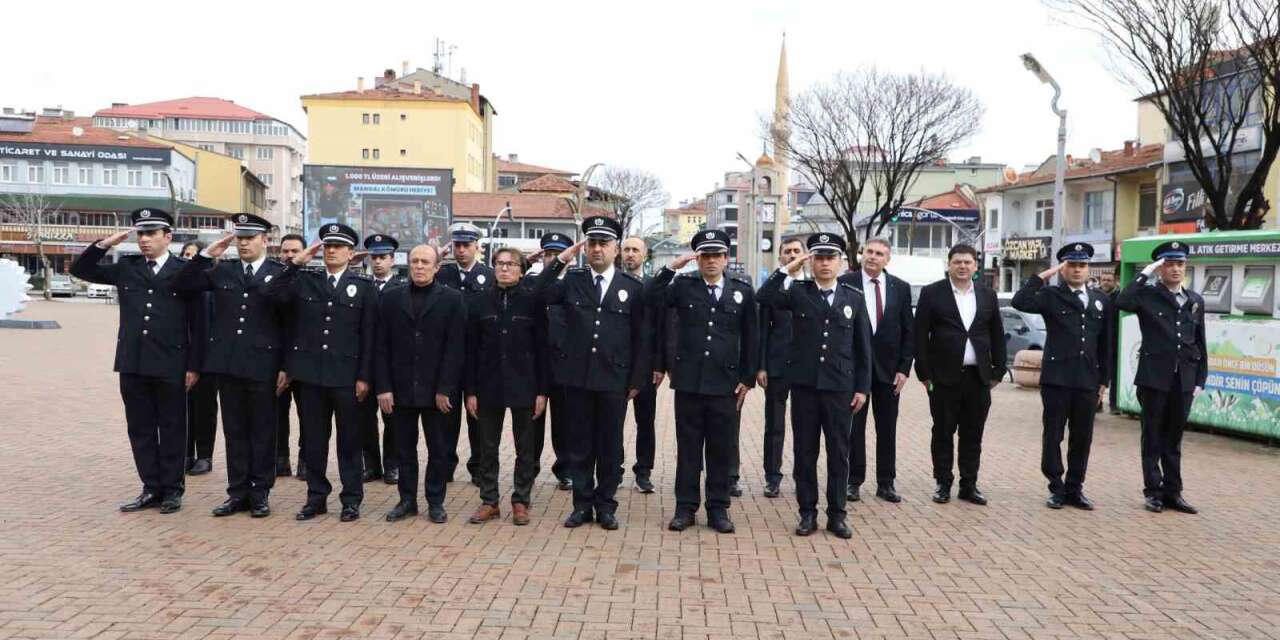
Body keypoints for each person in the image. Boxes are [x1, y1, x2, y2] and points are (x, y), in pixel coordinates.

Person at [70, 208, 202, 514]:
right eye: (140, 234)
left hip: (172, 362)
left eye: (151, 234)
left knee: (172, 428)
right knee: (140, 428)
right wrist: (104, 244)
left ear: (167, 237)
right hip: (133, 361)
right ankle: (151, 487)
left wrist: (194, 365)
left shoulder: (184, 271)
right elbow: (80, 269)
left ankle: (172, 490)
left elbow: (198, 323)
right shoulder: (127, 267)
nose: (144, 240)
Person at [535, 217, 650, 530]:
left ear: (615, 248)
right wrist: (559, 260)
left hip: (614, 380)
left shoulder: (632, 287)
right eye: (592, 243)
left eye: (604, 243)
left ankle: (606, 505)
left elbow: (642, 337)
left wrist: (637, 380)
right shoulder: (572, 279)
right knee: (580, 446)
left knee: (610, 446)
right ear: (584, 246)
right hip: (578, 378)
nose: (597, 249)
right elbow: (537, 294)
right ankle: (582, 505)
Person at [757, 233, 870, 539]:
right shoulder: (798, 292)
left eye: (830, 257)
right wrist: (789, 269)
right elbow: (763, 297)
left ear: (841, 262)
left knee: (838, 453)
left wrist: (862, 387)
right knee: (805, 453)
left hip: (839, 388)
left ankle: (838, 514)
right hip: (805, 386)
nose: (824, 263)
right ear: (812, 260)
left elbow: (863, 348)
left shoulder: (853, 297)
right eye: (818, 257)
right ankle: (807, 513)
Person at [174, 213, 287, 518]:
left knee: (263, 432)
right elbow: (182, 283)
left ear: (265, 240)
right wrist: (207, 254)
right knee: (235, 431)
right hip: (227, 364)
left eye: (250, 238)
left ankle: (260, 492)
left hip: (263, 365)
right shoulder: (222, 270)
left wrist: (285, 366)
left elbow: (290, 324)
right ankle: (237, 492)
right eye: (240, 238)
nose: (244, 243)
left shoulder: (279, 273)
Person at [264, 223, 377, 522]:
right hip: (311, 376)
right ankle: (316, 497)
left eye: (338, 246)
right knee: (314, 440)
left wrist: (365, 376)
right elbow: (272, 294)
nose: (331, 251)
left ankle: (351, 499)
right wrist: (296, 262)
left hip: (347, 376)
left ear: (351, 253)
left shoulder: (363, 287)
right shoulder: (305, 280)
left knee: (349, 442)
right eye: (327, 246)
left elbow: (370, 336)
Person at [647, 229, 757, 534]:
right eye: (705, 256)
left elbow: (752, 336)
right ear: (698, 258)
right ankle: (685, 508)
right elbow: (651, 297)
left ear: (726, 258)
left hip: (725, 384)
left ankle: (718, 509)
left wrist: (748, 377)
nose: (711, 261)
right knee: (689, 449)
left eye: (716, 255)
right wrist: (673, 267)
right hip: (689, 382)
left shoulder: (742, 290)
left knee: (721, 449)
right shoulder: (683, 285)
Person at [1012, 243, 1111, 510]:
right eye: (1071, 265)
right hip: (1057, 377)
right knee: (1053, 433)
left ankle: (1075, 488)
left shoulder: (1101, 299)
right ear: (1063, 268)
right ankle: (1056, 487)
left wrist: (1104, 380)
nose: (1077, 270)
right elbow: (1019, 301)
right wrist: (1043, 275)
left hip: (1087, 380)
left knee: (1082, 436)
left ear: (1088, 268)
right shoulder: (1051, 296)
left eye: (1081, 265)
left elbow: (1106, 343)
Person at [1114, 240, 1206, 514]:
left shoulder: (1194, 300)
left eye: (1180, 264)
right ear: (1160, 268)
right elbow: (1122, 301)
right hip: (1154, 378)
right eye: (1169, 264)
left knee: (1174, 439)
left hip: (1184, 379)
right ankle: (1153, 492)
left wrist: (1201, 378)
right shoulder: (1147, 295)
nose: (1175, 269)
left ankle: (1173, 492)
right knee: (1153, 436)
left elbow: (1199, 342)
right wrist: (1145, 273)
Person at [377, 245, 467, 524]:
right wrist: (383, 387)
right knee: (403, 449)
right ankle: (407, 501)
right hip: (400, 389)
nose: (419, 266)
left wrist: (445, 388)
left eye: (425, 262)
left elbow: (456, 348)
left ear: (437, 267)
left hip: (437, 390)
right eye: (414, 261)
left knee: (439, 450)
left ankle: (435, 501)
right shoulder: (391, 298)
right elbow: (380, 347)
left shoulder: (453, 299)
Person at [914, 244, 1006, 506]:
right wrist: (924, 373)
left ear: (976, 266)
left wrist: (998, 370)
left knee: (972, 433)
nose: (963, 266)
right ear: (949, 264)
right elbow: (920, 335)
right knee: (942, 432)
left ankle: (969, 484)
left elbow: (997, 334)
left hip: (978, 378)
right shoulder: (932, 293)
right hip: (943, 378)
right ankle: (943, 483)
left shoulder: (988, 295)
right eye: (958, 262)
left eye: (968, 262)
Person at [463, 247, 548, 525]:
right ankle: (489, 500)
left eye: (511, 264)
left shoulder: (533, 301)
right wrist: (471, 391)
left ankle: (521, 499)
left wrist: (542, 391)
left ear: (522, 270)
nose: (504, 268)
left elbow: (542, 348)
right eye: (499, 264)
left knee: (526, 447)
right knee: (487, 447)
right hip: (488, 384)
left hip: (525, 384)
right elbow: (471, 350)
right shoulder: (480, 302)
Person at [838, 238, 914, 504]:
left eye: (879, 253)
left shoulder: (901, 288)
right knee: (853, 429)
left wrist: (904, 369)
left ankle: (886, 483)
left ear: (888, 259)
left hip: (889, 372)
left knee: (887, 429)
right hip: (853, 371)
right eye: (869, 252)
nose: (873, 257)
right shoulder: (845, 283)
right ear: (861, 255)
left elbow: (908, 332)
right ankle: (853, 482)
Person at [436, 222, 495, 485]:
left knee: (478, 416)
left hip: (479, 357)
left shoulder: (489, 276)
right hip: (447, 357)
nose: (461, 250)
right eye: (457, 245)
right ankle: (445, 465)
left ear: (477, 247)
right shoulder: (442, 274)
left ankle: (480, 468)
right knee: (445, 416)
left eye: (466, 245)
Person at [757, 237, 804, 498]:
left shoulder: (813, 284)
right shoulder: (774, 289)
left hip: (807, 369)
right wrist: (761, 366)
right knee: (774, 424)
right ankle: (772, 476)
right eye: (787, 252)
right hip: (776, 366)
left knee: (804, 426)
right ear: (780, 258)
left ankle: (802, 475)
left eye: (797, 251)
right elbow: (763, 329)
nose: (792, 255)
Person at [527, 232, 575, 491]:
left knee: (565, 421)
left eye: (558, 254)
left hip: (565, 363)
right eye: (548, 254)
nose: (552, 258)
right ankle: (529, 467)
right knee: (532, 419)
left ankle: (565, 469)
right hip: (535, 362)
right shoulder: (534, 282)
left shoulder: (577, 283)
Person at [358, 233, 405, 485]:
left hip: (392, 364)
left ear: (392, 259)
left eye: (383, 257)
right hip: (364, 363)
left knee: (393, 420)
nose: (378, 262)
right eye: (374, 257)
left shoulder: (402, 287)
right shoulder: (361, 285)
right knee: (365, 419)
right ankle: (371, 465)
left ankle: (393, 465)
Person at [620, 236, 659, 494]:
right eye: (626, 249)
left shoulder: (654, 287)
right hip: (616, 365)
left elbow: (663, 327)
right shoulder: (614, 284)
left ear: (645, 255)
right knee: (612, 422)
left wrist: (660, 364)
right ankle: (614, 468)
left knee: (645, 421)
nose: (630, 254)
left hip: (646, 365)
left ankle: (643, 472)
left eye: (635, 250)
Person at [180, 240, 218, 476]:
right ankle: (185, 453)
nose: (189, 260)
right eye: (185, 255)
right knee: (182, 409)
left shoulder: (210, 289)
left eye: (194, 256)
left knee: (204, 408)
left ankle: (204, 455)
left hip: (207, 358)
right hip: (179, 356)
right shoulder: (178, 287)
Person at [274, 233, 307, 479]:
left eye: (295, 251)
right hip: (276, 360)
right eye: (285, 251)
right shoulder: (275, 278)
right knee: (277, 415)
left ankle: (306, 460)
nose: (289, 255)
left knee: (309, 416)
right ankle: (280, 459)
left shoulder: (313, 280)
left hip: (306, 361)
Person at [1097, 270, 1123, 415]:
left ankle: (1114, 404)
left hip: (1115, 340)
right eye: (1104, 280)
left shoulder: (1118, 297)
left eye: (1109, 280)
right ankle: (1097, 403)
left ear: (1115, 282)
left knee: (1115, 374)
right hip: (1099, 341)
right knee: (1097, 373)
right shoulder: (1095, 296)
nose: (1106, 282)